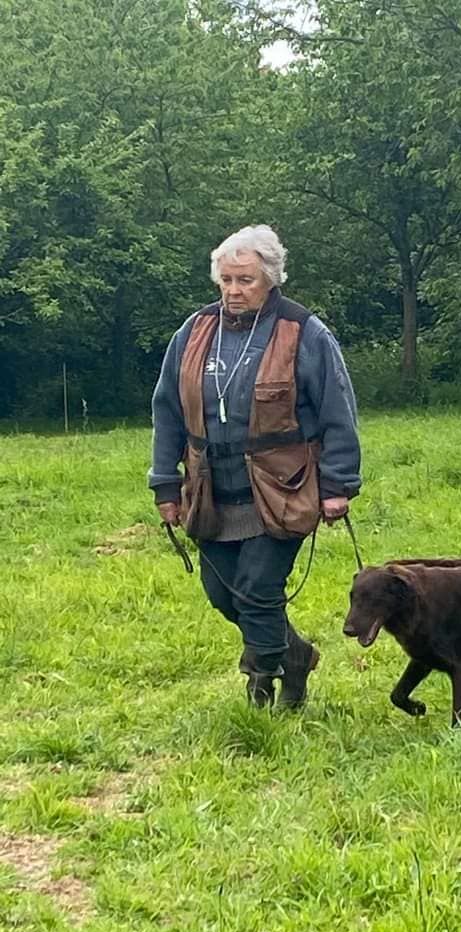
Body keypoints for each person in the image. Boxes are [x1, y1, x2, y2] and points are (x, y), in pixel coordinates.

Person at [149, 224, 361, 707]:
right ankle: (296, 655)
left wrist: (338, 485)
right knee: (224, 595)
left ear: (270, 278)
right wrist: (165, 486)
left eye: (244, 280)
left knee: (258, 588)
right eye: (226, 280)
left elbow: (337, 411)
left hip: (281, 488)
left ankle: (262, 684)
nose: (233, 291)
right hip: (209, 491)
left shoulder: (304, 331)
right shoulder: (193, 332)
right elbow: (166, 411)